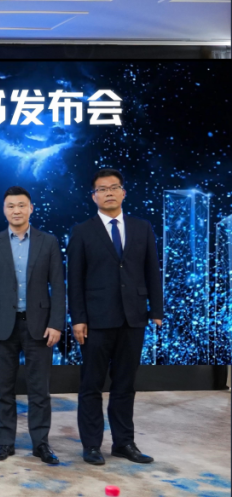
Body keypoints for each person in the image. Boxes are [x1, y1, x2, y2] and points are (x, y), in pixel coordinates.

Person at [68, 168, 163, 466]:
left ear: (123, 192)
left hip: (133, 318)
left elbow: (152, 270)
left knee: (125, 385)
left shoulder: (142, 227)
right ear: (93, 196)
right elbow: (75, 279)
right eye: (102, 189)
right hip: (95, 320)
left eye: (114, 187)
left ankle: (124, 443)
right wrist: (78, 318)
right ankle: (92, 445)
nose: (108, 193)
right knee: (91, 385)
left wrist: (156, 310)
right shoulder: (82, 231)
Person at [0, 186, 65, 465]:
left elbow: (58, 286)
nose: (16, 210)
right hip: (3, 325)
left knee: (40, 390)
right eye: (11, 206)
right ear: (4, 210)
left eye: (21, 205)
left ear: (31, 208)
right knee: (3, 389)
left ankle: (41, 444)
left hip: (39, 325)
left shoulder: (48, 241)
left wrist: (56, 323)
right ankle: (4, 443)